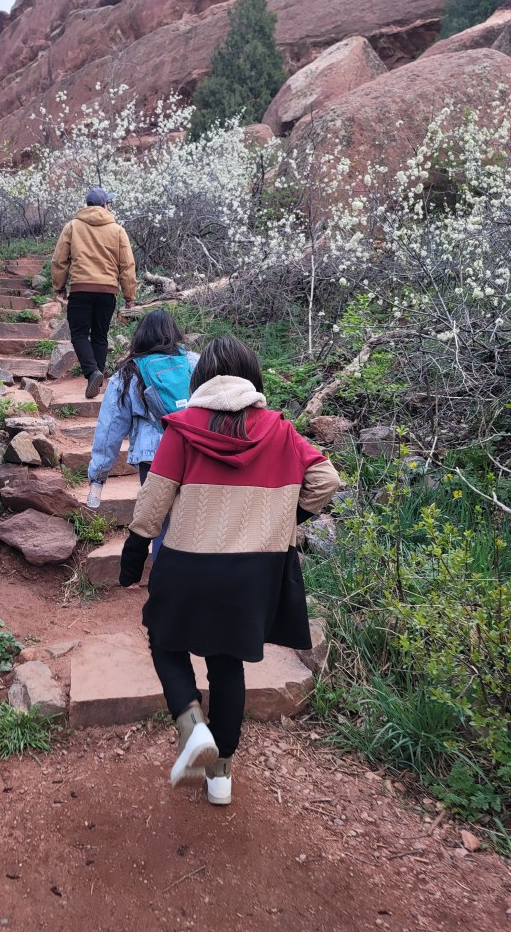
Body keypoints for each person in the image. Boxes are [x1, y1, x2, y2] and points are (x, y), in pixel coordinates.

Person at [118, 335, 340, 805]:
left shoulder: (182, 429)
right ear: (252, 377)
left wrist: (134, 552)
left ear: (199, 380)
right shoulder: (280, 430)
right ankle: (220, 775)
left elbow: (154, 498)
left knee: (165, 639)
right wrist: (285, 518)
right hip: (253, 574)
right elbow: (326, 479)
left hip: (188, 565)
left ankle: (191, 725)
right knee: (227, 662)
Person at [86, 310, 198, 558]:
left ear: (140, 336)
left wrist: (98, 476)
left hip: (154, 458)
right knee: (193, 520)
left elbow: (109, 429)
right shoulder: (195, 363)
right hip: (196, 451)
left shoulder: (129, 372)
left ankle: (162, 577)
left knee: (159, 522)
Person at [51, 186, 137, 399]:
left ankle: (92, 373)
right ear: (105, 205)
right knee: (100, 336)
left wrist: (59, 286)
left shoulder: (72, 226)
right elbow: (127, 265)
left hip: (81, 289)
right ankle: (95, 381)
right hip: (107, 292)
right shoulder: (117, 230)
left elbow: (59, 260)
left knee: (79, 334)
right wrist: (129, 295)